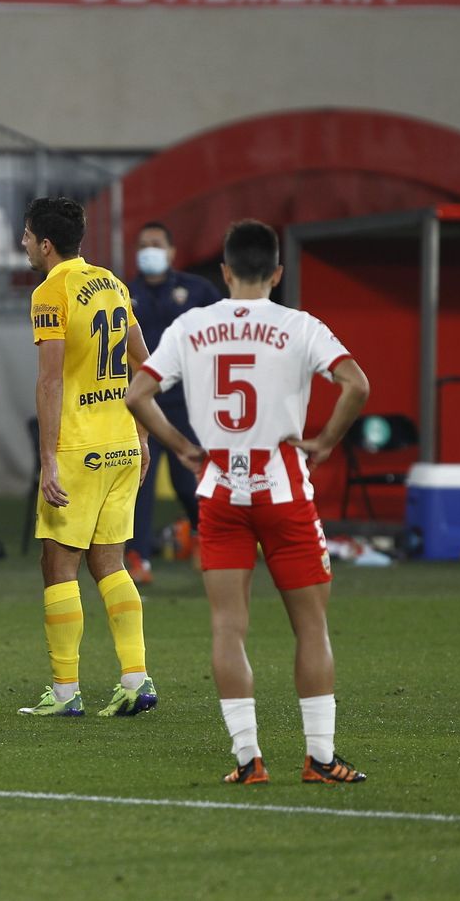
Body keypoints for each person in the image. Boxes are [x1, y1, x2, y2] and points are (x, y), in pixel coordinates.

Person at [126, 219, 370, 785]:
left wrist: (182, 446)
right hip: (283, 484)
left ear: (225, 272)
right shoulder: (299, 324)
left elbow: (139, 394)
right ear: (278, 273)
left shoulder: (193, 325)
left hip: (219, 488)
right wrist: (327, 442)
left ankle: (247, 759)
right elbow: (356, 383)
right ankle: (320, 758)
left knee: (227, 628)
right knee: (311, 629)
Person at [18, 197, 158, 720]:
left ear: (46, 243)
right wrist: (142, 437)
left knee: (58, 566)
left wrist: (47, 459)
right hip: (121, 440)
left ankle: (64, 691)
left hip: (79, 448)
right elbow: (145, 363)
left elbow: (51, 379)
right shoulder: (113, 285)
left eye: (28, 235)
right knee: (111, 565)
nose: (24, 243)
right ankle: (135, 678)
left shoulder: (50, 292)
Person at [126, 222, 221, 584]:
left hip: (188, 402)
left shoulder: (198, 290)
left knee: (188, 480)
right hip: (141, 401)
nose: (149, 250)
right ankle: (138, 557)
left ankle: (203, 537)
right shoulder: (123, 292)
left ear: (171, 252)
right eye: (143, 244)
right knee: (141, 481)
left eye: (156, 244)